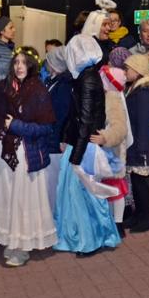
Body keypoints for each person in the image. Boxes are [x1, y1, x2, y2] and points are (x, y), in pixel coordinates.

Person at [0, 46, 57, 267]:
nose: (19, 66)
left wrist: (16, 126)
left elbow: (46, 127)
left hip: (26, 154)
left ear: (32, 65)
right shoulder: (3, 87)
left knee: (21, 200)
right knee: (6, 197)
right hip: (4, 150)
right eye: (16, 62)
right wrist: (0, 129)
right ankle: (9, 240)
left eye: (24, 62)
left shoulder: (38, 90)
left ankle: (21, 246)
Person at [55, 34, 121, 255]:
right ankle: (94, 237)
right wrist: (67, 138)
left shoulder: (87, 79)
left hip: (84, 147)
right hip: (82, 144)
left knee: (85, 194)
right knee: (83, 194)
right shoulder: (86, 76)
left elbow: (85, 120)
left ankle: (91, 240)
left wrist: (76, 156)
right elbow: (75, 116)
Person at [123, 54, 149, 233]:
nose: (125, 72)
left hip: (141, 145)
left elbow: (144, 123)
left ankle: (148, 217)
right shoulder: (137, 90)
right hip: (137, 144)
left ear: (138, 70)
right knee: (136, 182)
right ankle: (140, 214)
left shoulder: (143, 94)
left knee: (142, 184)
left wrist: (141, 149)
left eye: (128, 68)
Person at [91, 64, 132, 236]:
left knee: (115, 188)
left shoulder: (112, 100)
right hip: (108, 151)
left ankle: (118, 223)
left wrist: (105, 137)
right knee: (110, 187)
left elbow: (120, 128)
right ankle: (113, 222)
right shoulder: (108, 97)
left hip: (112, 152)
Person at [42, 46, 73, 211]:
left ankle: (54, 214)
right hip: (49, 136)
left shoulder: (64, 85)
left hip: (54, 140)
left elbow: (61, 114)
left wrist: (58, 137)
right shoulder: (52, 81)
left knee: (54, 181)